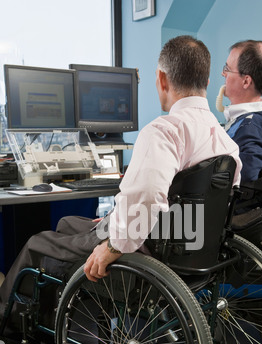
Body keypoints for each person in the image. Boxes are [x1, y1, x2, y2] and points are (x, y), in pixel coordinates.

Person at [0, 35, 242, 323]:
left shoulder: (165, 131)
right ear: (206, 79)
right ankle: (54, 314)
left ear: (162, 79)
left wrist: (114, 244)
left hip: (149, 248)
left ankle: (8, 321)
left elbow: (148, 196)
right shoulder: (224, 139)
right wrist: (117, 219)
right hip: (190, 244)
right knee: (67, 224)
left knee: (38, 242)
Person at [221, 40, 262, 182]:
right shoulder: (249, 122)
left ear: (246, 81)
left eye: (227, 69)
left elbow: (244, 180)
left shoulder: (250, 128)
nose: (223, 74)